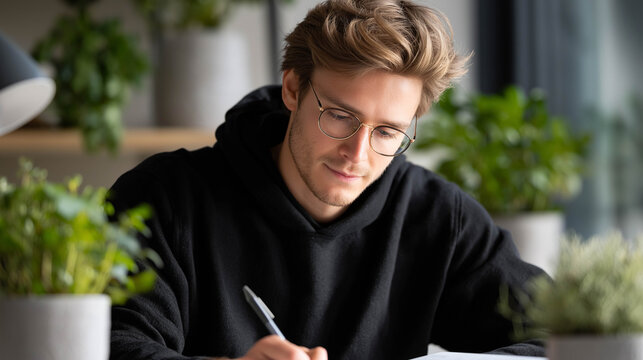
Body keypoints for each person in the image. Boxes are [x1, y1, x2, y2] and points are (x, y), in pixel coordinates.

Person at [108, 0, 546, 359]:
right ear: (293, 88)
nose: (357, 155)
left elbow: (565, 338)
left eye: (388, 132)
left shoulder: (437, 217)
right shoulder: (162, 198)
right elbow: (108, 344)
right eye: (339, 116)